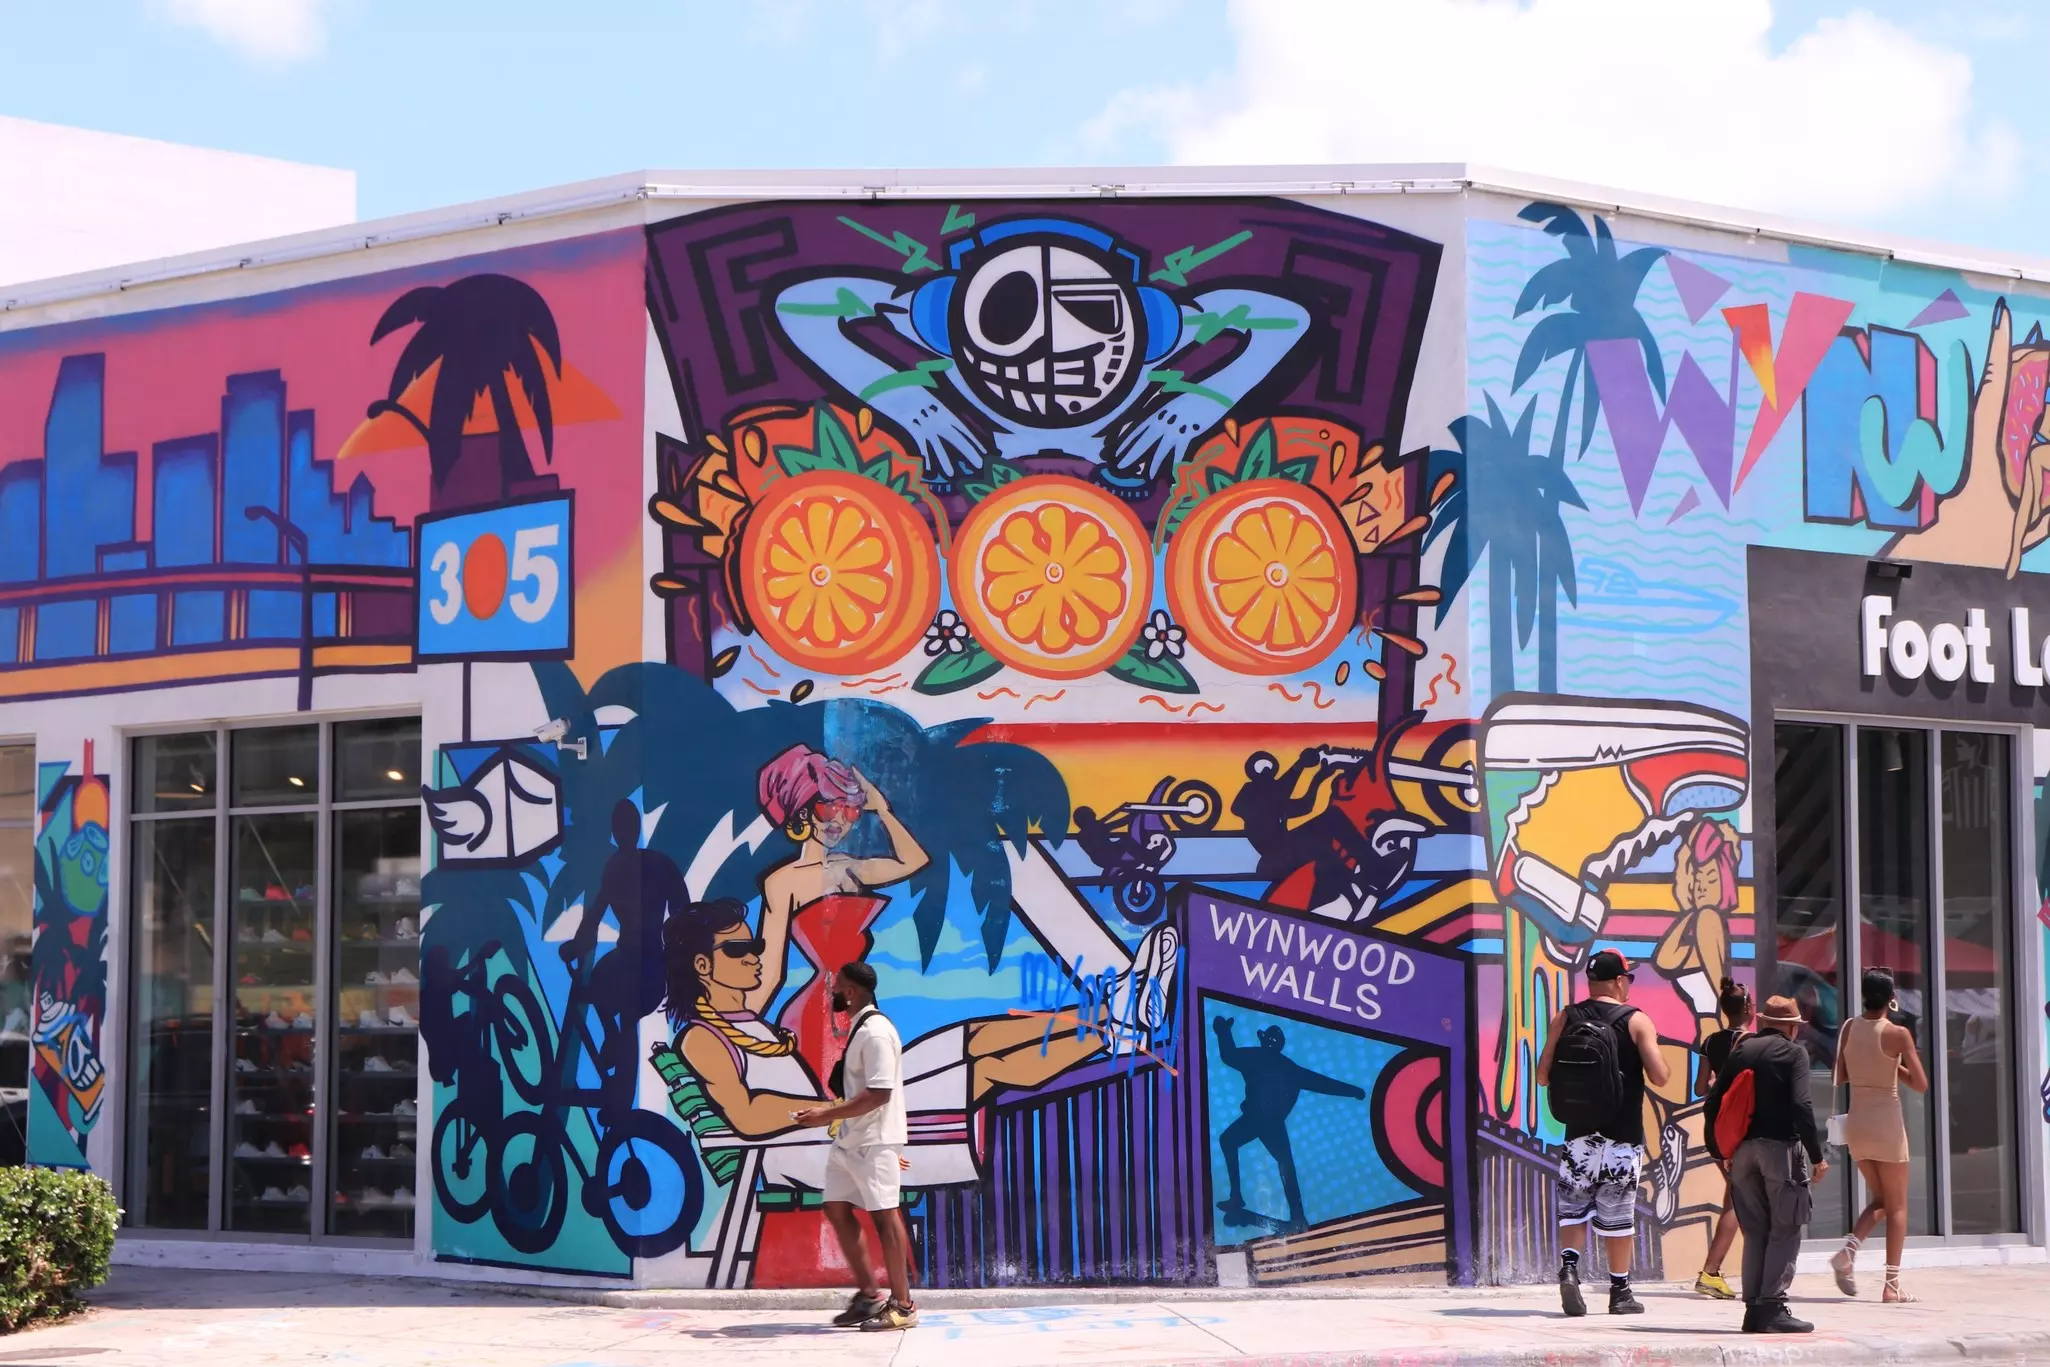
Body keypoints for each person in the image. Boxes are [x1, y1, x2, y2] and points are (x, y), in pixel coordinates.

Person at [1536, 949, 1671, 1317]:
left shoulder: (1566, 1017)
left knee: (1574, 1211)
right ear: (1618, 981)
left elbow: (1542, 1075)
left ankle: (1568, 1269)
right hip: (1621, 1135)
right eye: (1627, 978)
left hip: (1578, 1135)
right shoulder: (1637, 1020)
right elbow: (1660, 1076)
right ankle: (1620, 1291)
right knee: (1618, 1216)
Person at [793, 962, 917, 1332]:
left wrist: (824, 1114)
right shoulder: (861, 1028)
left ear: (851, 992)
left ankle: (903, 1306)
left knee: (885, 1216)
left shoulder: (876, 1033)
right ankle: (869, 1296)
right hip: (851, 1139)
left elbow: (879, 1093)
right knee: (835, 1207)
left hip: (874, 1140)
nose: (834, 994)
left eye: (839, 987)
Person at [1705, 994, 1827, 1335]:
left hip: (1742, 1153)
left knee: (1756, 1230)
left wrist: (1721, 1152)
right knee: (1786, 1226)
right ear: (1791, 1027)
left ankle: (1754, 1310)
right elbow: (1802, 1106)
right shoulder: (1794, 1053)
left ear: (1763, 1021)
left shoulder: (1742, 1050)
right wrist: (1817, 1156)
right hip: (1779, 1151)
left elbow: (1712, 1101)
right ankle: (1773, 1306)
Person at [1827, 968, 1929, 1304]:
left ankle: (1849, 1252)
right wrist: (1892, 1066)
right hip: (1886, 1122)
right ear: (1892, 999)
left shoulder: (1848, 1028)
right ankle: (1892, 1285)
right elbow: (1920, 1084)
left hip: (1858, 1123)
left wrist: (1870, 1066)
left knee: (1881, 1200)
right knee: (1897, 1207)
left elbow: (1839, 1075)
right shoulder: (1898, 1034)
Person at [1212, 1017, 1366, 1232]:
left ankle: (1242, 1198)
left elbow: (1228, 1055)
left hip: (1260, 1119)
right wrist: (1354, 1092)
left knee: (1234, 1143)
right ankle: (1289, 1212)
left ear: (1265, 1041)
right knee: (1278, 1161)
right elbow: (1324, 1083)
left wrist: (1222, 1031)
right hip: (1267, 1121)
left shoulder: (1258, 1057)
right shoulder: (1287, 1066)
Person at [1691, 977, 1753, 1300]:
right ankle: (1710, 1273)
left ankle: (1754, 1268)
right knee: (1737, 1198)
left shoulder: (1710, 1042)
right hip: (1739, 1131)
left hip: (1713, 1128)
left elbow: (1700, 1089)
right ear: (1750, 1008)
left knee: (1739, 1196)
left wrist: (1717, 1079)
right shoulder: (1751, 1042)